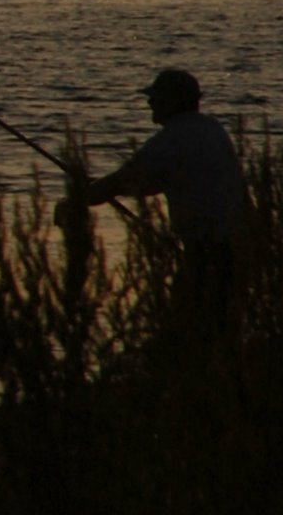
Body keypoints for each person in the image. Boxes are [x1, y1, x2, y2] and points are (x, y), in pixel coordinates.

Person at [74, 69, 246, 330]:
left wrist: (80, 197)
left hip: (209, 251)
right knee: (216, 325)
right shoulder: (211, 129)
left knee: (189, 325)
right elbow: (152, 182)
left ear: (173, 101)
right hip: (237, 246)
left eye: (156, 98)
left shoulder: (172, 138)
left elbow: (124, 180)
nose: (150, 103)